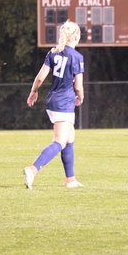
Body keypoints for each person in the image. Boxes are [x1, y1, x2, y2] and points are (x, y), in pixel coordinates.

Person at [23, 21, 84, 189]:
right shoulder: (77, 57)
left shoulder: (53, 52)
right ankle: (33, 169)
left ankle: (70, 179)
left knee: (69, 139)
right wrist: (81, 97)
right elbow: (78, 86)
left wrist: (34, 91)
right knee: (59, 141)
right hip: (64, 103)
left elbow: (40, 77)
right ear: (77, 37)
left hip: (53, 101)